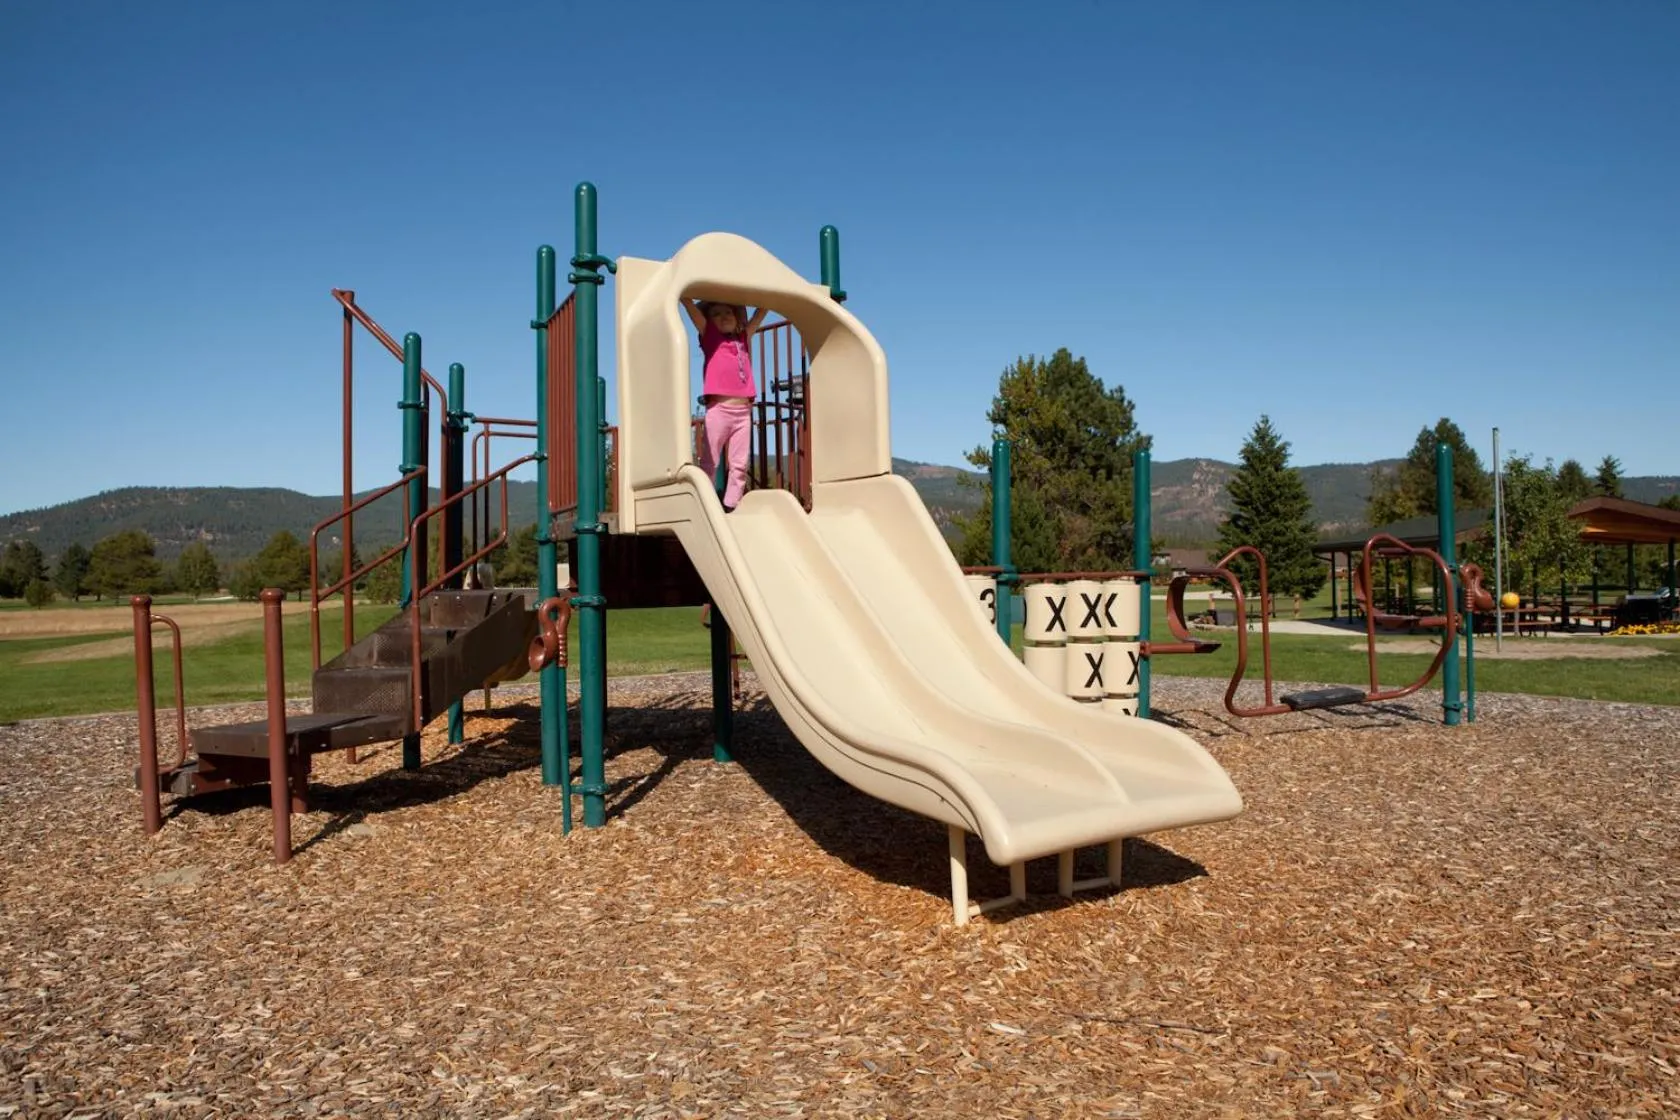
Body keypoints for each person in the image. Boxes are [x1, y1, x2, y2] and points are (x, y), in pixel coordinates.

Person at [683, 298, 768, 510]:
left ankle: (732, 503)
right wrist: (686, 300)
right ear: (709, 322)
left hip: (743, 413)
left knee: (739, 463)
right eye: (717, 314)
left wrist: (766, 300)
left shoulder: (743, 338)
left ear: (737, 318)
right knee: (710, 461)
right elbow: (696, 318)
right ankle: (705, 502)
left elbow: (759, 315)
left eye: (728, 313)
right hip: (719, 411)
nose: (723, 317)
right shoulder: (711, 338)